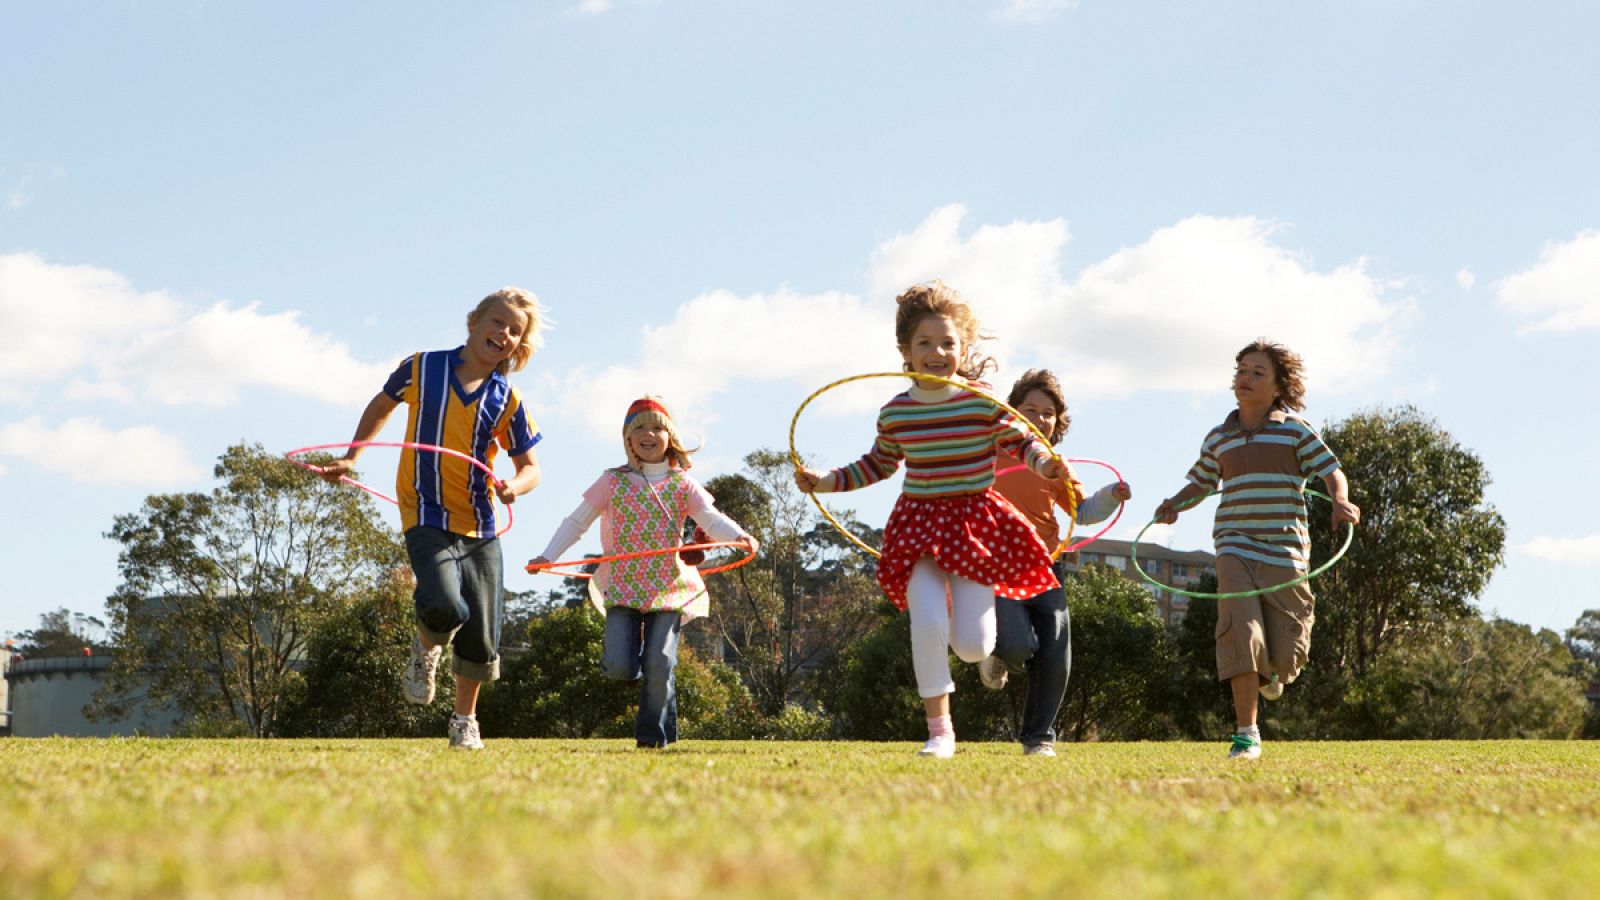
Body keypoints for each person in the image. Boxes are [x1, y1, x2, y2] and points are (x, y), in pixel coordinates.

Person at [793, 282, 1073, 758]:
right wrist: (823, 482)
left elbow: (1021, 442)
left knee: (972, 646)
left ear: (962, 350)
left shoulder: (980, 401)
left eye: (947, 343)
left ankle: (961, 624)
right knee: (924, 622)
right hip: (919, 528)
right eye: (924, 343)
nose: (937, 352)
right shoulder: (897, 412)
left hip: (973, 529)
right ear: (905, 351)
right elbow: (876, 464)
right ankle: (940, 732)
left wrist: (1046, 465)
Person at [320, 287, 547, 750]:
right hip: (425, 508)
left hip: (481, 523)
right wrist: (351, 457)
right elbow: (382, 404)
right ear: (474, 322)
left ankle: (465, 721)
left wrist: (514, 487)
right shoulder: (423, 367)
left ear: (518, 345)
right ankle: (426, 647)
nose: (503, 333)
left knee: (482, 635)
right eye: (497, 322)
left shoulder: (508, 399)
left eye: (514, 331)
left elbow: (531, 469)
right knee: (445, 604)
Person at [1153, 339, 1359, 760]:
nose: (1245, 378)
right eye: (1241, 371)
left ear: (1279, 386)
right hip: (1234, 546)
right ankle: (1246, 734)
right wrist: (1174, 504)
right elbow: (1201, 483)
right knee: (1240, 631)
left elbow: (1331, 470)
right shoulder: (1219, 437)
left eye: (1257, 372)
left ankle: (1275, 673)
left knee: (1287, 656)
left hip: (1285, 552)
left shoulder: (1295, 430)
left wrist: (1340, 500)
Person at [528, 396, 757, 749]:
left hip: (669, 586)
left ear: (670, 437)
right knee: (621, 666)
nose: (648, 434)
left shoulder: (682, 483)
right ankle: (646, 682)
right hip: (623, 585)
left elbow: (710, 519)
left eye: (656, 428)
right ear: (628, 439)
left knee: (660, 662)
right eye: (639, 428)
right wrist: (548, 555)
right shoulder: (612, 481)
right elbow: (577, 522)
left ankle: (652, 741)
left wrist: (740, 536)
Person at [977, 368, 1132, 757]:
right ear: (1012, 412)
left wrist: (1112, 495)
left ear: (1057, 422)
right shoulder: (989, 453)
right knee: (1018, 645)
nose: (1040, 418)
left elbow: (1084, 512)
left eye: (1048, 413)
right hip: (999, 565)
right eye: (1030, 410)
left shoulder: (1057, 464)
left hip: (1046, 564)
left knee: (1056, 654)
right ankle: (1000, 654)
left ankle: (1039, 738)